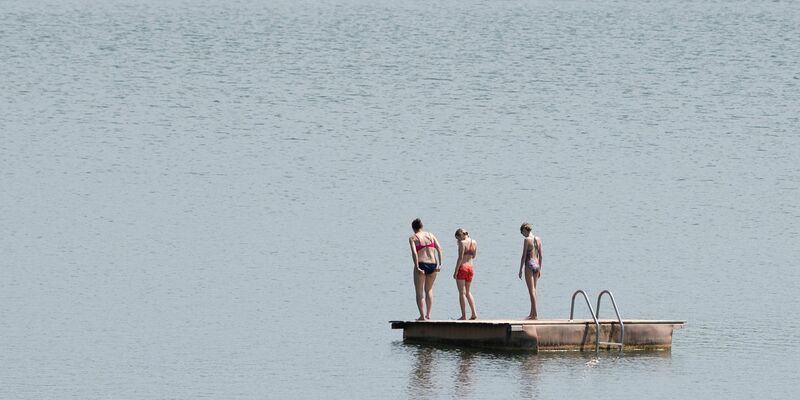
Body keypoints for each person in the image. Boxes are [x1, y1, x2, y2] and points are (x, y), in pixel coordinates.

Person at [409, 218, 442, 320]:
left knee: (419, 292)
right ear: (422, 226)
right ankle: (429, 314)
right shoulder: (431, 235)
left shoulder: (413, 238)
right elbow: (439, 248)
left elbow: (414, 253)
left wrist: (417, 266)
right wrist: (440, 264)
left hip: (422, 264)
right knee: (429, 290)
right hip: (433, 264)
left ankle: (422, 316)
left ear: (413, 228)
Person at [518, 222, 543, 320]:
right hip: (536, 265)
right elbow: (540, 256)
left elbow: (524, 256)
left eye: (522, 232)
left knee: (531, 290)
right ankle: (532, 312)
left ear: (524, 230)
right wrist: (540, 268)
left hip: (529, 264)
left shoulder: (527, 240)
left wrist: (520, 269)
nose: (522, 235)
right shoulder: (538, 239)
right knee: (534, 290)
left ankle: (535, 314)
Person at [453, 228, 478, 320]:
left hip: (463, 267)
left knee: (461, 293)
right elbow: (474, 256)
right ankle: (474, 313)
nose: (458, 241)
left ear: (461, 235)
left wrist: (455, 271)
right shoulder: (474, 242)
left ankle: (463, 315)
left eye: (458, 238)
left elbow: (460, 258)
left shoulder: (462, 243)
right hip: (471, 268)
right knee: (468, 292)